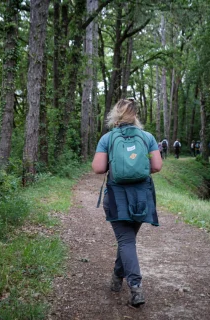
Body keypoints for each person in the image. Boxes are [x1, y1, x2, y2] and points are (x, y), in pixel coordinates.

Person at [92, 99, 162, 308]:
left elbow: (97, 168)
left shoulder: (108, 138)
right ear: (135, 115)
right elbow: (157, 166)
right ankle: (116, 276)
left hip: (116, 197)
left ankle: (136, 289)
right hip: (142, 196)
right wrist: (139, 169)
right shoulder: (147, 137)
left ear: (115, 115)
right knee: (128, 240)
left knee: (126, 241)